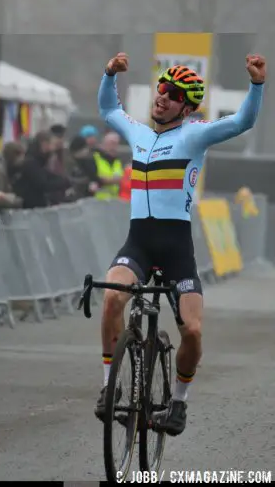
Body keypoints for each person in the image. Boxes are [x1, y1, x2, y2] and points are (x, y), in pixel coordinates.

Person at [95, 51, 266, 436]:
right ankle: (110, 386)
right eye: (160, 89)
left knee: (192, 331)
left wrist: (257, 84)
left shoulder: (196, 134)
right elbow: (108, 109)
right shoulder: (138, 133)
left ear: (186, 107)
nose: (161, 96)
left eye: (171, 94)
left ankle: (179, 403)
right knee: (110, 299)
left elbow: (243, 121)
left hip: (176, 249)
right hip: (138, 242)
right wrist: (109, 74)